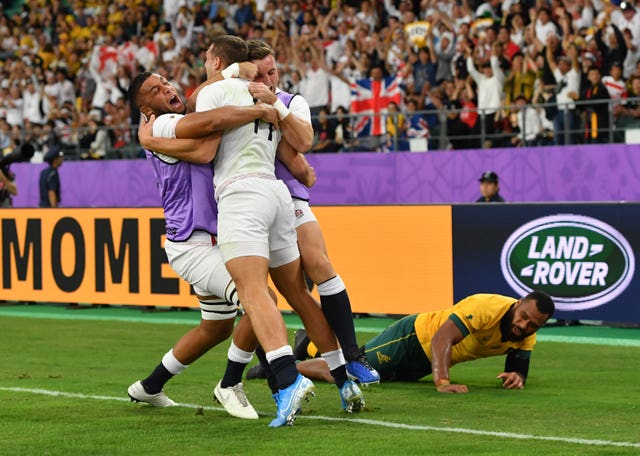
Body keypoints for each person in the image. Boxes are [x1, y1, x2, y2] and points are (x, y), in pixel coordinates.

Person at [127, 59, 288, 421]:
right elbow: (204, 151)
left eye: (167, 82)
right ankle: (230, 383)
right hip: (194, 243)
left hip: (214, 239)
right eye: (156, 89)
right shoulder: (163, 127)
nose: (167, 88)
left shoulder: (178, 120)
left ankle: (149, 386)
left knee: (215, 327)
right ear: (146, 110)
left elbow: (201, 100)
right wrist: (241, 100)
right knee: (260, 298)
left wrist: (227, 74)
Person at [243, 39, 380, 386]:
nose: (269, 79)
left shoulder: (292, 100)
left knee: (318, 264)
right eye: (260, 75)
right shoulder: (233, 104)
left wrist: (275, 106)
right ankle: (272, 372)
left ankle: (352, 356)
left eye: (272, 71)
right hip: (248, 206)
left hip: (289, 200)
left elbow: (302, 142)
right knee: (260, 294)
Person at [290, 291, 555, 393]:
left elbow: (518, 365)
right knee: (354, 373)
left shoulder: (527, 335)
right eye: (523, 317)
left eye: (534, 325)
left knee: (378, 379)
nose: (524, 326)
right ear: (517, 304)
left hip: (426, 362)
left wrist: (517, 375)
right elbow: (443, 337)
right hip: (414, 337)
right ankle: (289, 366)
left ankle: (309, 343)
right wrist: (442, 382)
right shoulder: (486, 307)